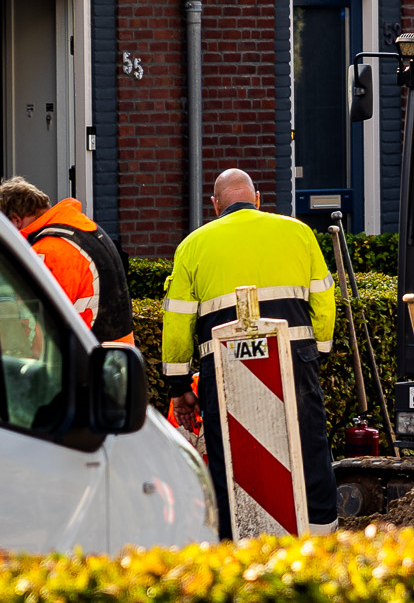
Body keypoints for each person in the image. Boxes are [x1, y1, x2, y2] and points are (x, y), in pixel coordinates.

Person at [163, 169, 339, 537]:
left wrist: (179, 386)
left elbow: (177, 322)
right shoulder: (298, 233)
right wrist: (317, 353)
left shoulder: (194, 245)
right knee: (308, 445)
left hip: (223, 366)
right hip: (294, 358)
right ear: (257, 198)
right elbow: (324, 301)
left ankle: (235, 540)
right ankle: (322, 533)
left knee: (229, 456)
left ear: (215, 205)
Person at [0, 177, 137, 346]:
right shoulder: (83, 230)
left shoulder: (48, 252)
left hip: (86, 357)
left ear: (15, 221)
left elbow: (38, 335)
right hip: (113, 353)